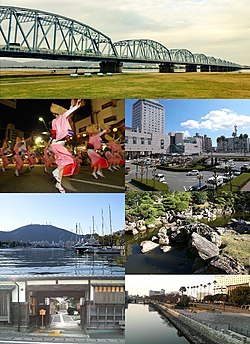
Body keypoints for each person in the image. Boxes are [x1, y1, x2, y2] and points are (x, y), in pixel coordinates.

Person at [49, 99, 83, 193]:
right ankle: (55, 172)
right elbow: (67, 113)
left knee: (62, 165)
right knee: (69, 160)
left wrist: (72, 106)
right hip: (57, 144)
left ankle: (58, 184)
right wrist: (76, 106)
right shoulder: (61, 118)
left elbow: (54, 133)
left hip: (55, 145)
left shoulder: (54, 121)